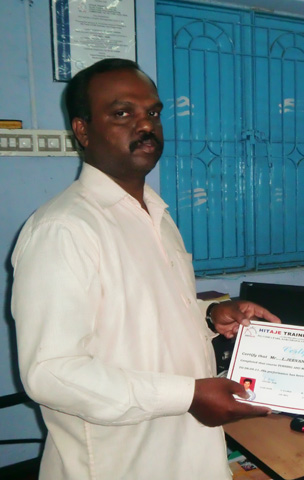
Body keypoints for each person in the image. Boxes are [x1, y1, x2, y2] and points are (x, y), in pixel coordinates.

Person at [11, 58, 280, 480]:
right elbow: (51, 372)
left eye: (153, 112)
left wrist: (209, 315)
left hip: (192, 455)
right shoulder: (62, 229)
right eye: (122, 113)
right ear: (82, 130)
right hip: (122, 464)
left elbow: (138, 315)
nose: (145, 125)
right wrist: (187, 395)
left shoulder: (156, 213)